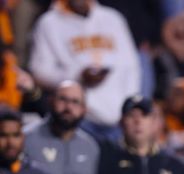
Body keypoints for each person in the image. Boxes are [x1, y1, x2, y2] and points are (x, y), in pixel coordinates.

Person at [29, 0, 140, 138]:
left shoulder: (113, 18)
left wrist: (128, 109)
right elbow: (39, 72)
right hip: (80, 119)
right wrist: (77, 77)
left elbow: (131, 67)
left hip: (118, 121)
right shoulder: (49, 23)